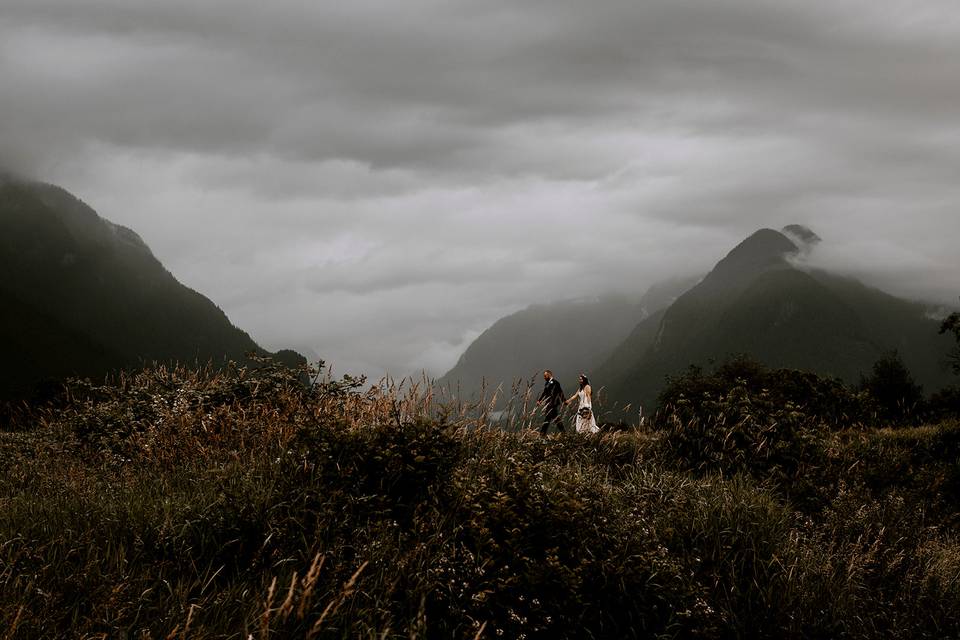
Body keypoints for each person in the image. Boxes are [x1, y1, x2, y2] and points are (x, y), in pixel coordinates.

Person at [536, 369, 565, 435]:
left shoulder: (555, 382)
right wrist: (539, 400)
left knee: (548, 418)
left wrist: (564, 400)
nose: (544, 377)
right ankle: (563, 433)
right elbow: (544, 393)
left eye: (545, 376)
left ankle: (542, 433)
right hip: (548, 404)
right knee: (555, 419)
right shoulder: (547, 383)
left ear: (549, 375)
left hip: (553, 404)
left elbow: (560, 392)